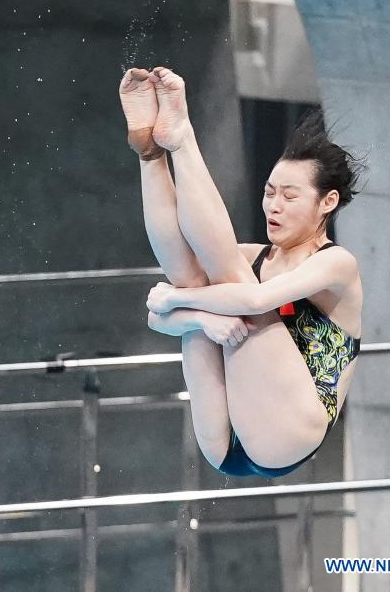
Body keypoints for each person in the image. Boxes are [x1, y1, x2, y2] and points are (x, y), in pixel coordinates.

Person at [119, 66, 364, 477]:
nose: (273, 206)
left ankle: (183, 141)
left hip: (289, 434)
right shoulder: (256, 256)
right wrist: (199, 316)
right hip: (224, 442)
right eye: (269, 193)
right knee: (190, 274)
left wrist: (179, 301)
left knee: (229, 280)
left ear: (328, 202)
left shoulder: (336, 264)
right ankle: (150, 154)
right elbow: (156, 316)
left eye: (289, 195)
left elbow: (255, 300)